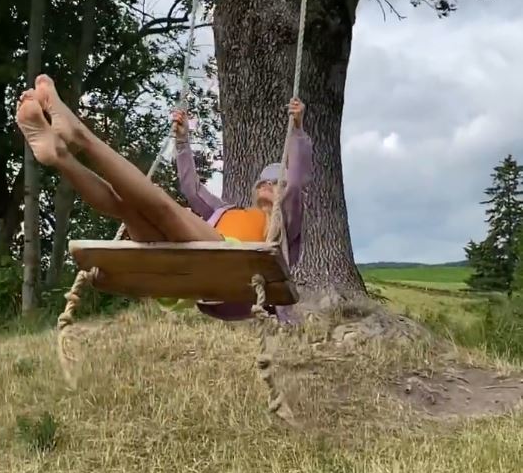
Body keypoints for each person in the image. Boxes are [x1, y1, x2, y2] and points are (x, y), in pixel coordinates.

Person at [16, 75, 312, 321]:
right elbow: (191, 189)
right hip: (189, 266)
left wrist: (297, 133)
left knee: (161, 205)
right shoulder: (227, 211)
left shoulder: (284, 224)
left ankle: (80, 136)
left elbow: (297, 184)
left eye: (277, 182)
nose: (268, 184)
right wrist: (182, 141)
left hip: (236, 270)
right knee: (129, 208)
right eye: (263, 181)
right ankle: (61, 157)